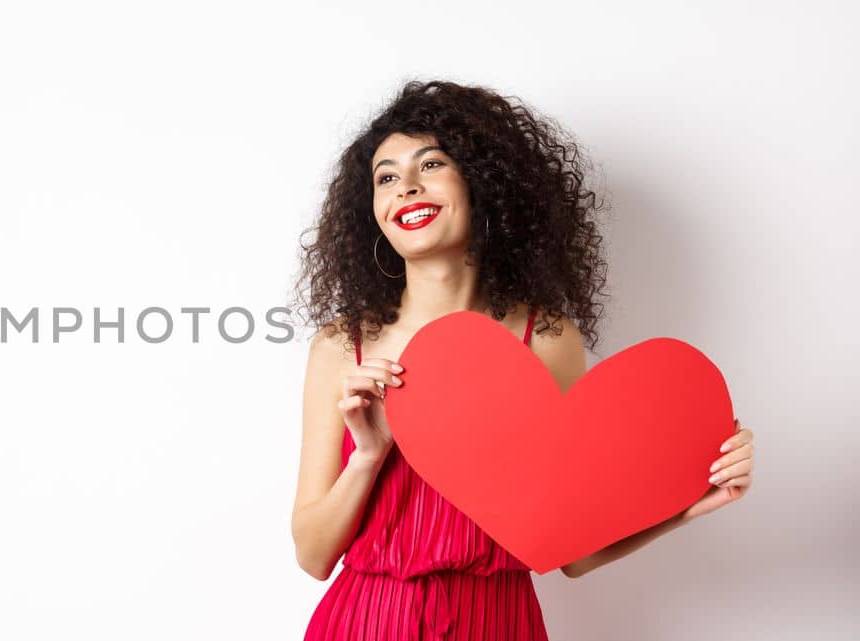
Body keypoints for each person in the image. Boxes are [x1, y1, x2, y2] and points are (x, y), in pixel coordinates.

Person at [288, 80, 756, 640]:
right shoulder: (343, 346)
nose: (406, 188)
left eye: (430, 164)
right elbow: (313, 556)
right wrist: (368, 454)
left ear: (485, 184)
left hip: (497, 623)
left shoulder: (546, 339)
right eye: (386, 177)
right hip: (365, 621)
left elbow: (571, 551)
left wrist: (689, 504)